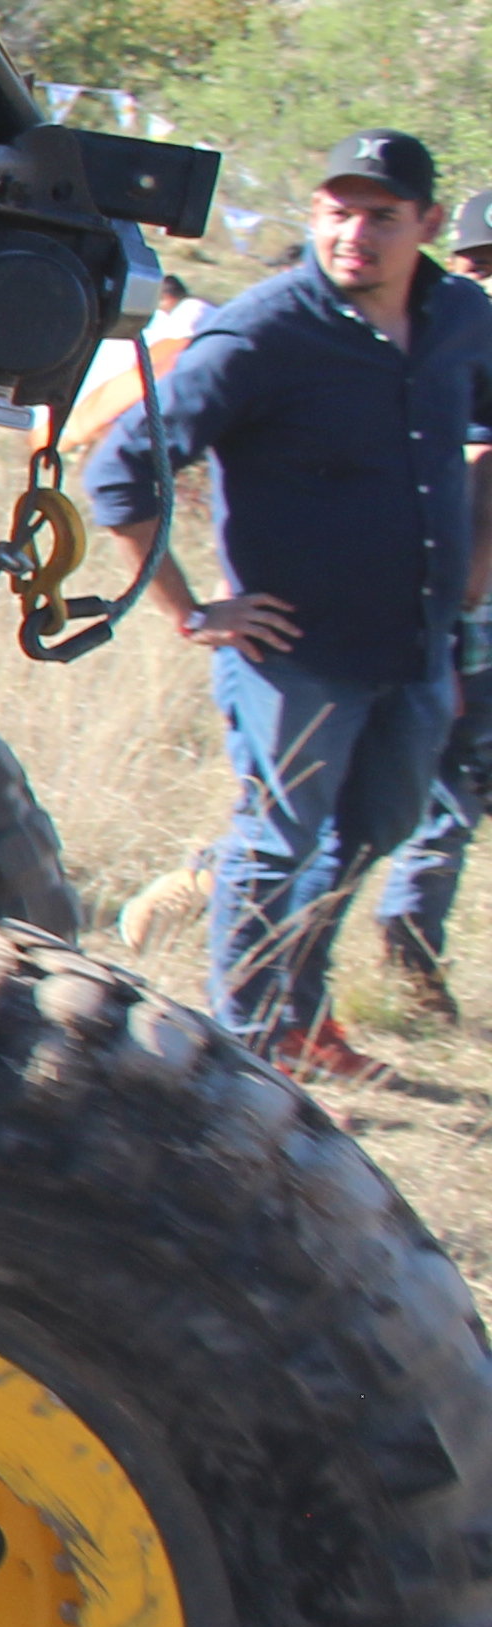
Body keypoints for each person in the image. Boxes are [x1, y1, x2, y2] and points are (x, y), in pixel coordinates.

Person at [78, 132, 492, 1081]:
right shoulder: (265, 330)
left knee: (376, 827)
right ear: (311, 213)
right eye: (337, 211)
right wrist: (191, 611)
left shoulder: (462, 317)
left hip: (419, 643)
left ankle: (297, 1014)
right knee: (280, 841)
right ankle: (251, 1053)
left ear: (427, 225)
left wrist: (474, 573)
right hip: (296, 653)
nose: (356, 234)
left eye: (382, 216)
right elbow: (120, 468)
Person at [364, 185, 492, 1021]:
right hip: (457, 610)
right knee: (443, 788)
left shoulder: (442, 326)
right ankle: (408, 946)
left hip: (437, 602)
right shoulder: (460, 335)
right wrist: (463, 613)